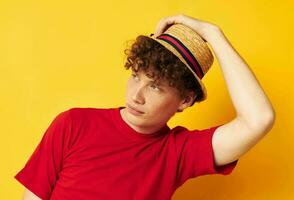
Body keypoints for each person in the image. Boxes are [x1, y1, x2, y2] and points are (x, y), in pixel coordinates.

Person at [14, 14, 275, 200]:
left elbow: (259, 119)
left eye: (156, 86)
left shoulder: (178, 152)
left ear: (185, 100)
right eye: (136, 76)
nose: (136, 96)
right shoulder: (73, 124)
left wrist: (212, 34)